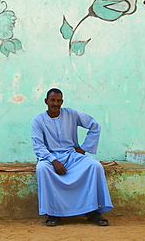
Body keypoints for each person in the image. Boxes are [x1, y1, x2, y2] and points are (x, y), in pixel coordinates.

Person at [31, 88, 113, 226]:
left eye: (58, 100)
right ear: (46, 101)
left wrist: (84, 149)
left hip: (72, 155)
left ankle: (92, 212)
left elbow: (94, 126)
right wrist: (54, 161)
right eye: (52, 100)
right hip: (50, 157)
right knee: (42, 169)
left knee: (95, 166)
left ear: (62, 101)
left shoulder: (72, 114)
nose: (55, 103)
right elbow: (38, 146)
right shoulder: (38, 120)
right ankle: (53, 213)